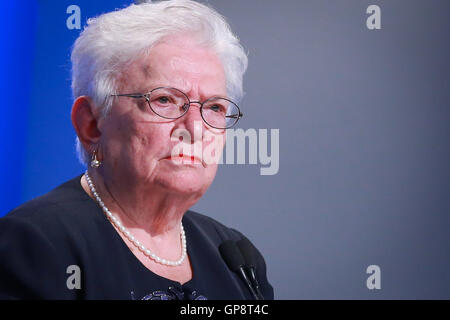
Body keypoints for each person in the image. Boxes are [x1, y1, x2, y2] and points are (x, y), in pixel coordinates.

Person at [0, 0, 273, 300]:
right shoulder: (36, 245)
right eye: (165, 100)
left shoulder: (237, 259)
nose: (195, 128)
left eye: (215, 107)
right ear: (91, 123)